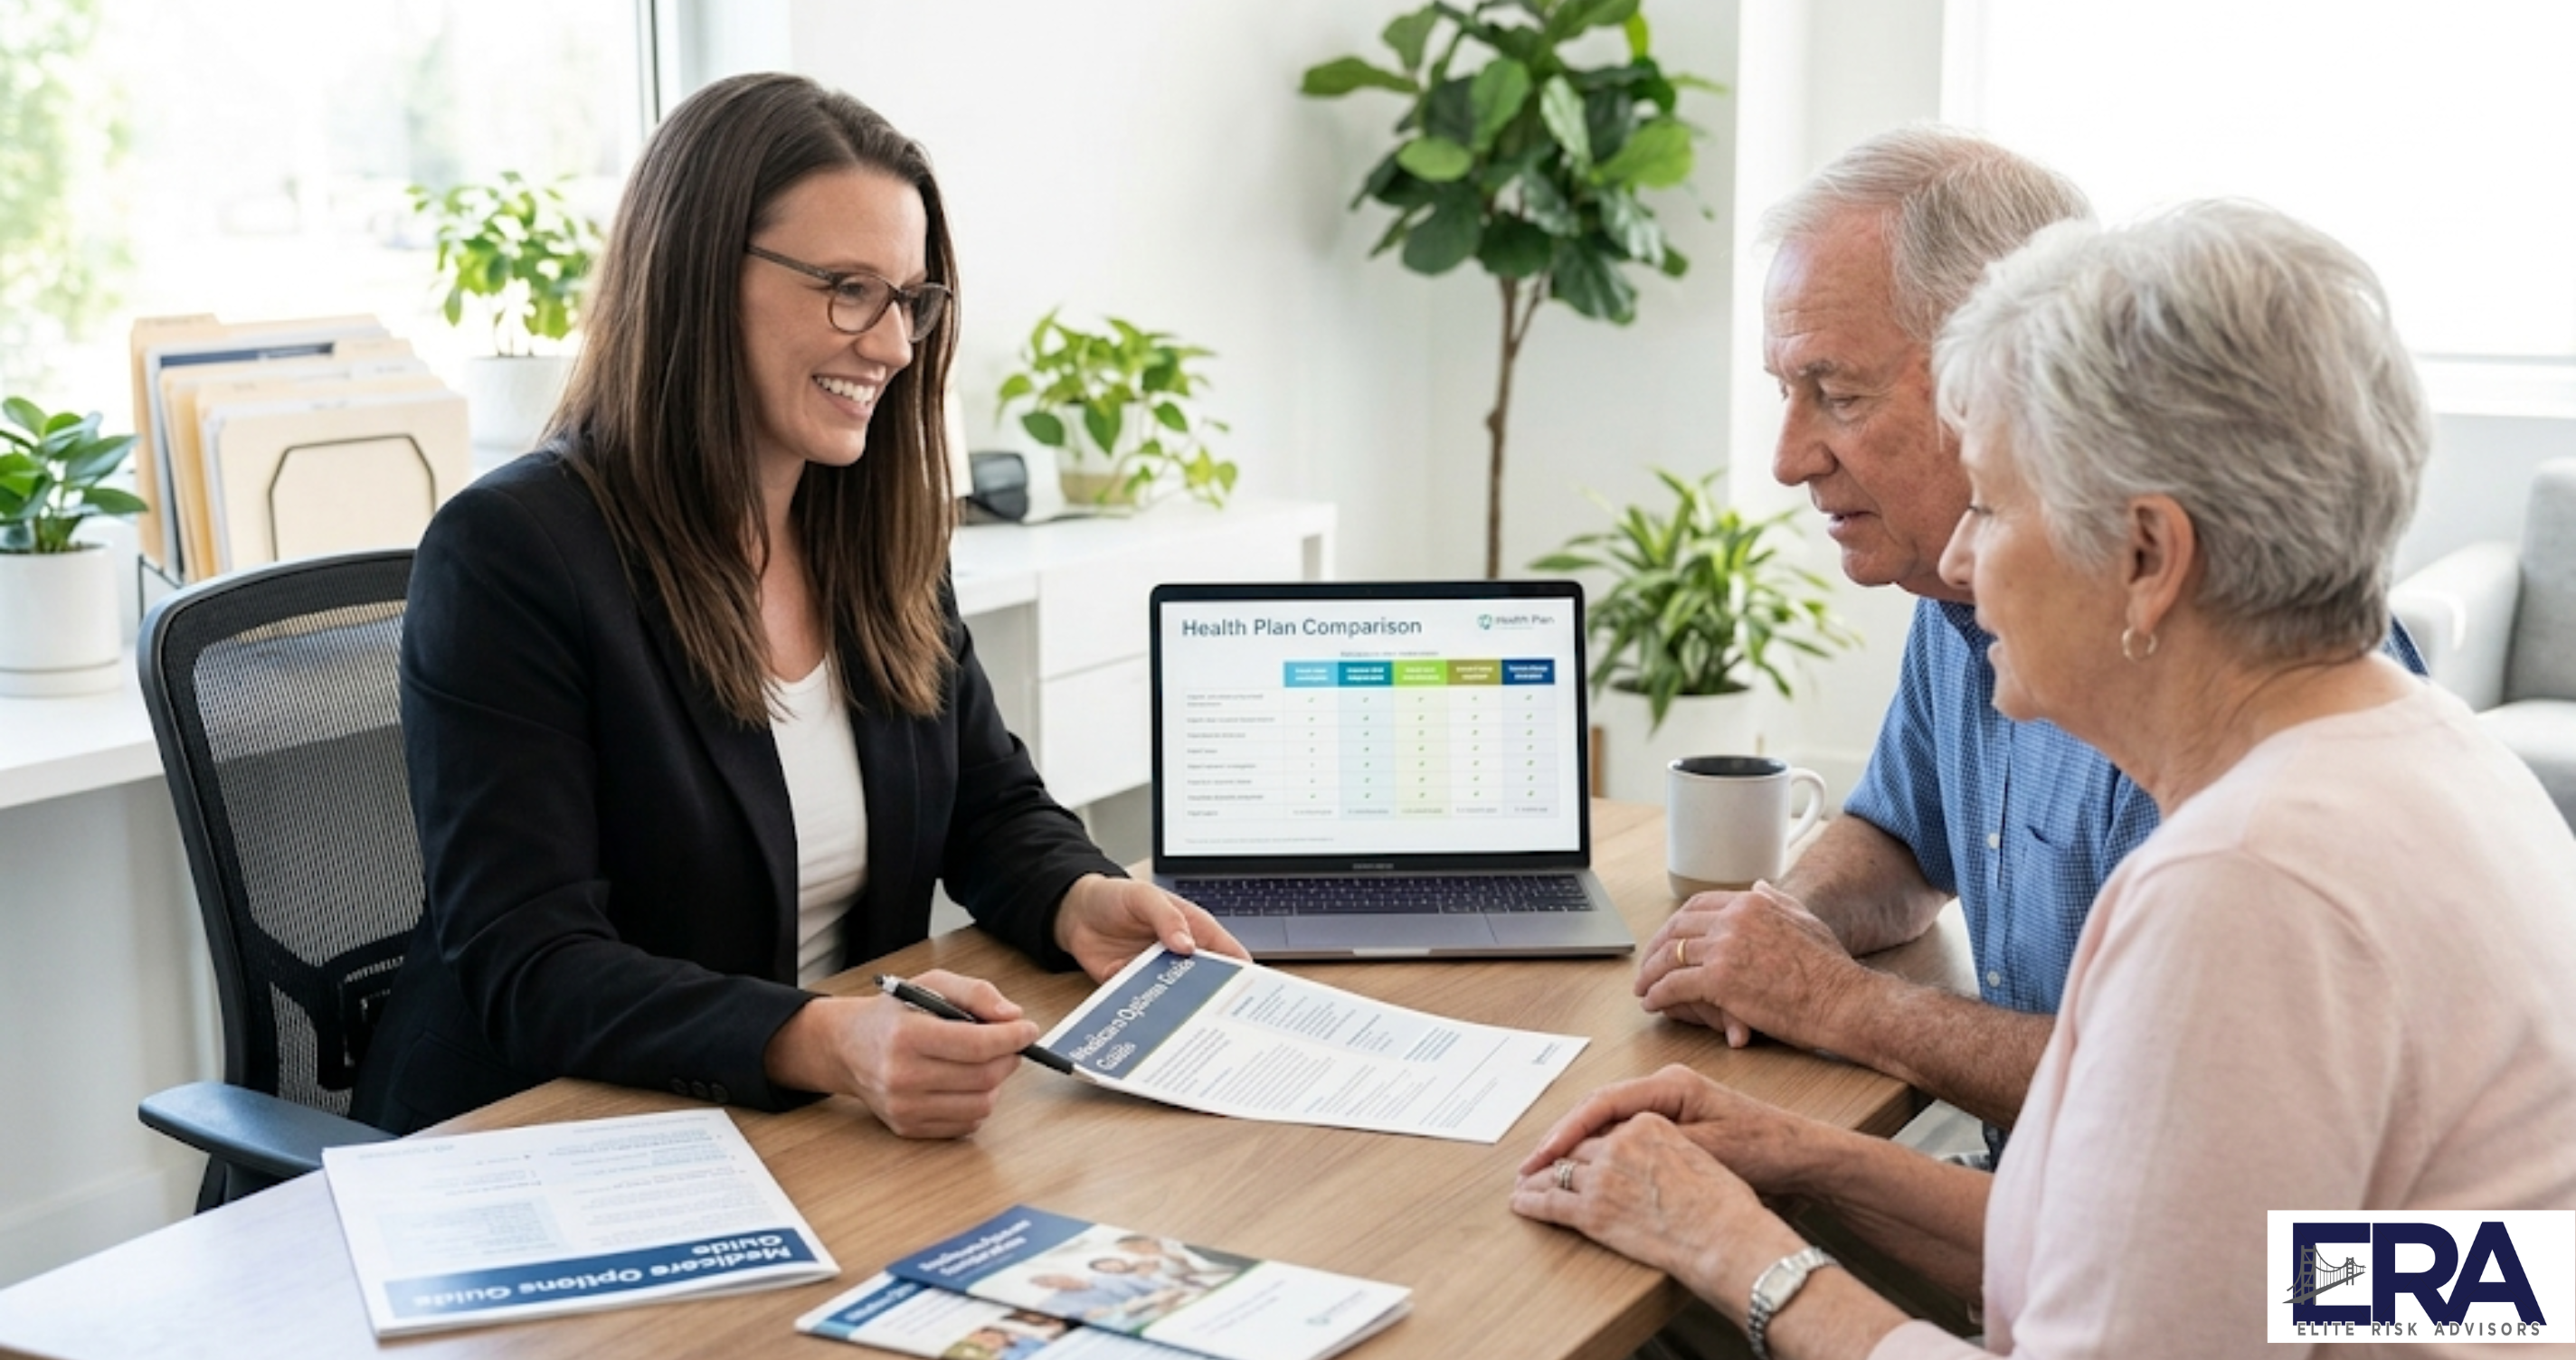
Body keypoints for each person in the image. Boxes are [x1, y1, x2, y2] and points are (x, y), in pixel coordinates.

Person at [1517, 200, 2576, 1356]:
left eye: (1989, 505)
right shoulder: (2431, 756)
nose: (1962, 560)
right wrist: (1798, 1157)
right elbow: (2233, 1269)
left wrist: (1743, 1252)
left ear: (2145, 558)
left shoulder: (2245, 884)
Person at [351, 72, 1238, 1137]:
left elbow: (989, 808)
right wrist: (825, 1038)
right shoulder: (513, 554)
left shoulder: (873, 531)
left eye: (910, 299)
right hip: (558, 1135)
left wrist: (1079, 900)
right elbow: (533, 964)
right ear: (696, 277)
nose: (893, 345)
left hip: (810, 1129)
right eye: (846, 287)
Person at [1632, 128, 2421, 1138]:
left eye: (1836, 391)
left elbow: (2173, 1124)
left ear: (1999, 356)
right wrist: (1776, 937)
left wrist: (1840, 1011)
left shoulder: (2237, 708)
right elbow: (1901, 834)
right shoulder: (1960, 592)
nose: (1787, 460)